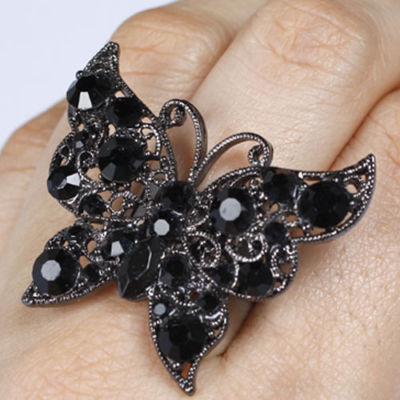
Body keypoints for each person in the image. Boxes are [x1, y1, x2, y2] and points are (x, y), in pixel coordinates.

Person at [1, 0, 399, 398]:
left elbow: (328, 200)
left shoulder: (151, 174)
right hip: (163, 258)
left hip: (123, 244)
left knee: (176, 324)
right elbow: (97, 95)